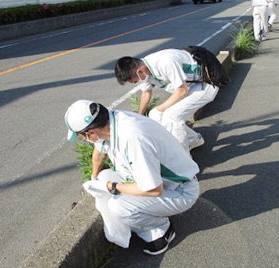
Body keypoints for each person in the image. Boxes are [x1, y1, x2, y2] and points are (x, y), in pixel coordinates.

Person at [65, 100, 200, 255]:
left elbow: (154, 189)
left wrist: (112, 187)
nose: (83, 139)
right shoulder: (112, 121)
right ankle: (147, 216)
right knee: (104, 176)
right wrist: (94, 177)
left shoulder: (133, 138)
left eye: (81, 136)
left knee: (119, 207)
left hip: (181, 190)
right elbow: (99, 150)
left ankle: (162, 229)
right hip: (164, 182)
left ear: (90, 133)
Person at [114, 48, 219, 151]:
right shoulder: (144, 70)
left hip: (206, 85)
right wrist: (140, 115)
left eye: (134, 81)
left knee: (172, 118)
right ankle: (194, 139)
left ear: (139, 71)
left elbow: (182, 91)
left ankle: (183, 159)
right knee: (154, 115)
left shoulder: (166, 62)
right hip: (189, 88)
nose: (136, 83)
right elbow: (146, 92)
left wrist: (160, 108)